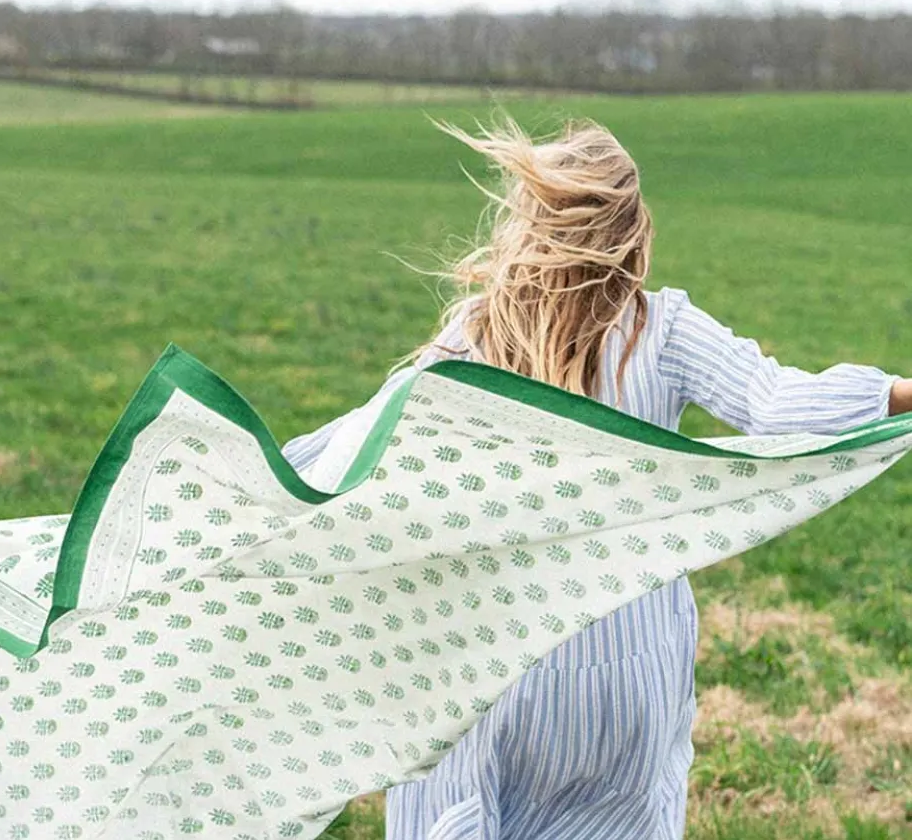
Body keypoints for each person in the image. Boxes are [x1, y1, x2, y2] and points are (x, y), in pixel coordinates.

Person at [282, 115, 912, 840]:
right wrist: (896, 393)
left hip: (499, 669)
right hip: (628, 670)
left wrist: (259, 482)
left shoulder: (480, 338)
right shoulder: (664, 329)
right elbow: (776, 404)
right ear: (634, 230)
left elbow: (363, 445)